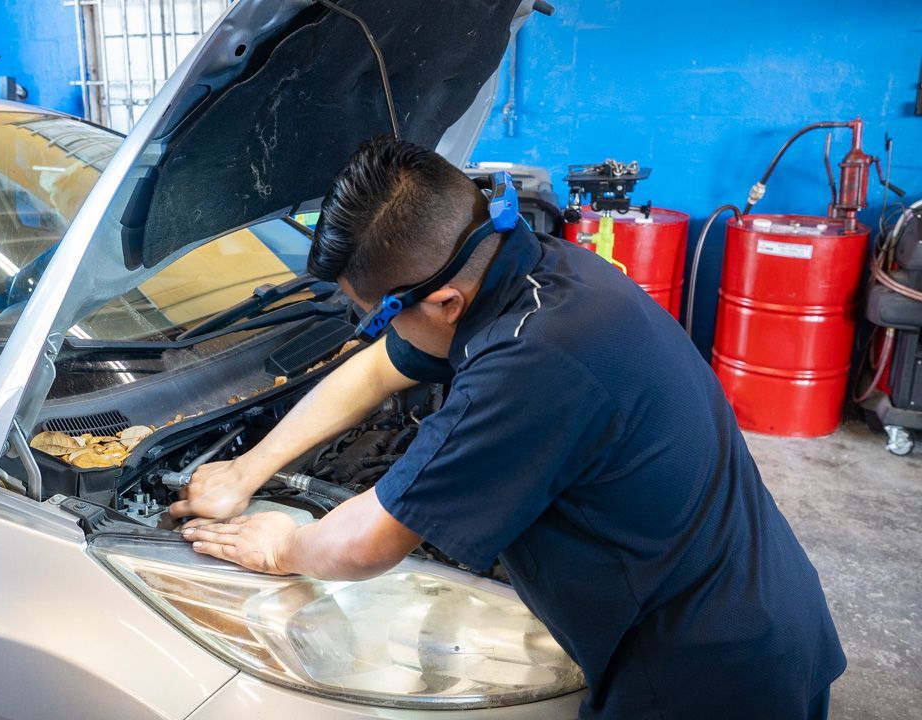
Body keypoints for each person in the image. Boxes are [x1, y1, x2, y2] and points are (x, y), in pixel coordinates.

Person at [168, 136, 845, 719]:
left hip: (703, 676)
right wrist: (243, 471)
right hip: (746, 608)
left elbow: (367, 543)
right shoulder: (531, 267)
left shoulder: (534, 359)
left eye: (368, 315)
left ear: (443, 301)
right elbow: (379, 370)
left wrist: (282, 546)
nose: (369, 331)